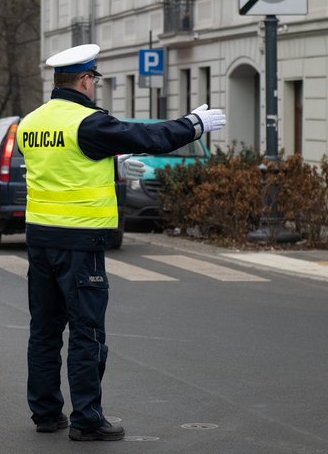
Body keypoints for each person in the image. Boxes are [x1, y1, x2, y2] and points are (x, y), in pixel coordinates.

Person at [17, 44, 226, 441]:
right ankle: (87, 421)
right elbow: (148, 136)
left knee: (44, 329)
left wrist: (111, 161)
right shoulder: (87, 122)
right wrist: (192, 125)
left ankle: (45, 412)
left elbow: (65, 163)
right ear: (83, 80)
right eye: (93, 79)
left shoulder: (31, 123)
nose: (94, 86)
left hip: (41, 238)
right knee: (86, 332)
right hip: (81, 241)